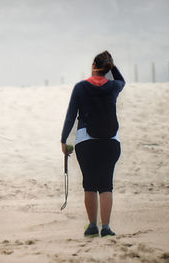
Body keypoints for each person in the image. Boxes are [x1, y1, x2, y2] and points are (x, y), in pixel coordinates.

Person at [61, 51, 125, 237]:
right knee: (106, 185)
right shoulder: (114, 86)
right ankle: (105, 227)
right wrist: (112, 67)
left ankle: (91, 226)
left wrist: (64, 140)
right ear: (107, 69)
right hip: (111, 141)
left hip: (86, 142)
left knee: (89, 184)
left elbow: (71, 116)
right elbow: (122, 80)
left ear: (93, 66)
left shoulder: (80, 87)